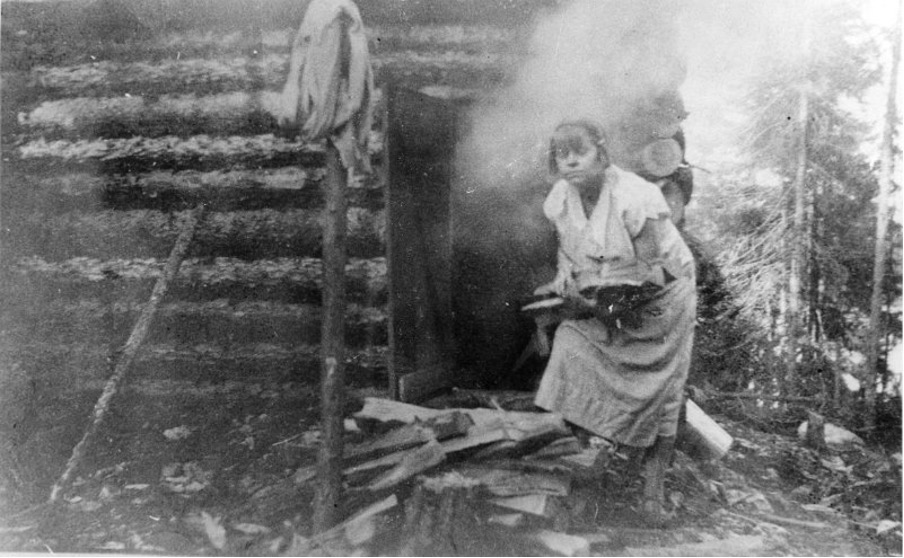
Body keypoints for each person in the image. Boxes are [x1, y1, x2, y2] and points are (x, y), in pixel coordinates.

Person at [531, 119, 697, 525]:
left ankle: (651, 499)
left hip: (662, 300)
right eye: (561, 154)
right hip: (610, 296)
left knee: (663, 396)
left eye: (579, 152)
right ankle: (581, 480)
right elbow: (569, 253)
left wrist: (594, 303)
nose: (570, 162)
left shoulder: (635, 196)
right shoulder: (560, 199)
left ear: (601, 154)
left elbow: (652, 273)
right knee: (570, 343)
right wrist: (563, 283)